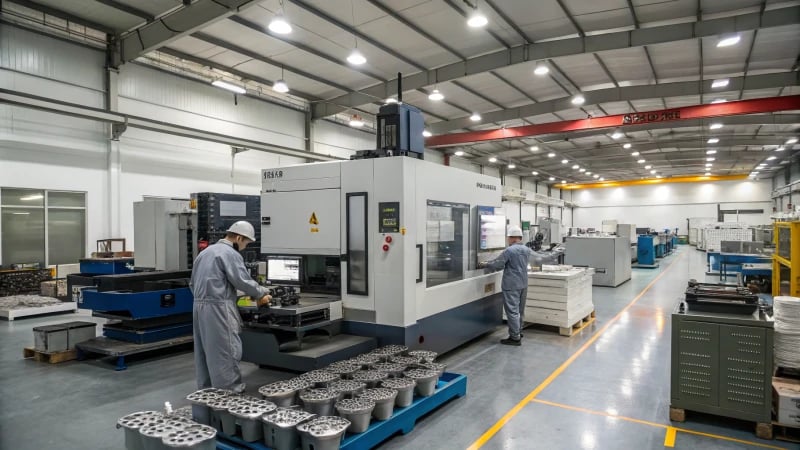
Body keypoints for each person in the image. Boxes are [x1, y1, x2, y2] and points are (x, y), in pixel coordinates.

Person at [190, 221, 271, 395]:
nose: (244, 247)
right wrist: (262, 292)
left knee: (205, 354)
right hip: (219, 309)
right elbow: (242, 281)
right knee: (225, 353)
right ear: (239, 238)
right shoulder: (229, 253)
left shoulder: (204, 253)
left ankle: (206, 397)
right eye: (246, 243)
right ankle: (230, 397)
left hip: (198, 307)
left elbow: (192, 283)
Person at [483, 225, 532, 346]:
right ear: (520, 237)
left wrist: (485, 264)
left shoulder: (509, 251)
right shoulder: (526, 249)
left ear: (510, 238)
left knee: (512, 311)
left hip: (511, 285)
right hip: (523, 283)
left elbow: (498, 265)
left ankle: (515, 338)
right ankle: (519, 331)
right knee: (520, 310)